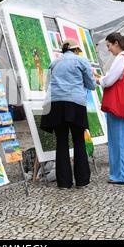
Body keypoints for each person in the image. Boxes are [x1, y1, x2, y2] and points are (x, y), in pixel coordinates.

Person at [40, 39, 96, 189]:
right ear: (76, 49)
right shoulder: (81, 61)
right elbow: (91, 85)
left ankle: (64, 182)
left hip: (56, 104)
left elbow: (46, 86)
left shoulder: (54, 63)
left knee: (61, 141)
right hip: (75, 103)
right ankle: (82, 180)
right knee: (78, 140)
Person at [95, 32, 124, 185]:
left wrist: (97, 79)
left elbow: (109, 80)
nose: (108, 49)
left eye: (109, 46)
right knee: (123, 142)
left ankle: (121, 175)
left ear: (116, 43)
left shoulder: (121, 58)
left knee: (118, 142)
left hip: (120, 107)